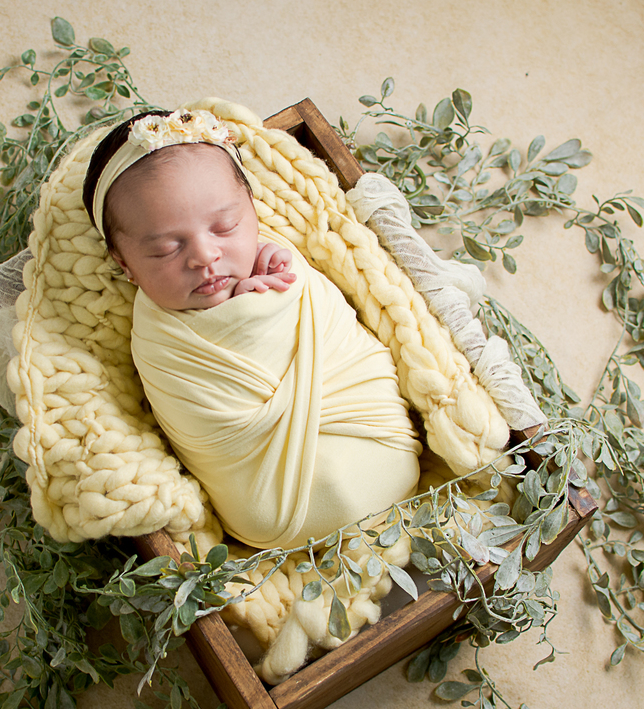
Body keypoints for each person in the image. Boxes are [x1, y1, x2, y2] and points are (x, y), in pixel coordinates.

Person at [82, 109, 422, 551]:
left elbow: (330, 319)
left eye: (225, 227)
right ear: (124, 265)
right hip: (275, 513)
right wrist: (244, 316)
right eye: (166, 249)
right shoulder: (155, 337)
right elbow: (197, 412)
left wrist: (271, 297)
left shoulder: (280, 260)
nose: (205, 255)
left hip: (380, 444)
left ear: (253, 208)